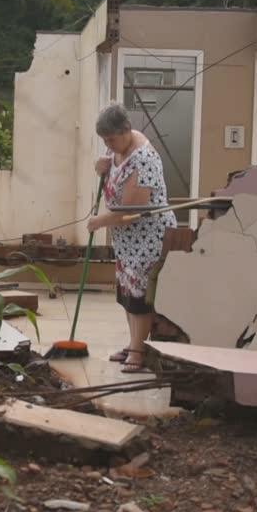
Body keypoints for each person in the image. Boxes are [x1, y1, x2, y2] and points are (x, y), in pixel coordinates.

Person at [87, 103, 176, 373]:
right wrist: (99, 166)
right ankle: (133, 343)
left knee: (139, 297)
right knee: (126, 293)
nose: (108, 144)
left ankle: (139, 352)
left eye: (111, 139)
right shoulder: (118, 147)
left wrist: (99, 221)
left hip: (148, 238)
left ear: (126, 130)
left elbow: (133, 210)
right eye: (104, 140)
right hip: (127, 241)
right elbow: (109, 170)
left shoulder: (144, 158)